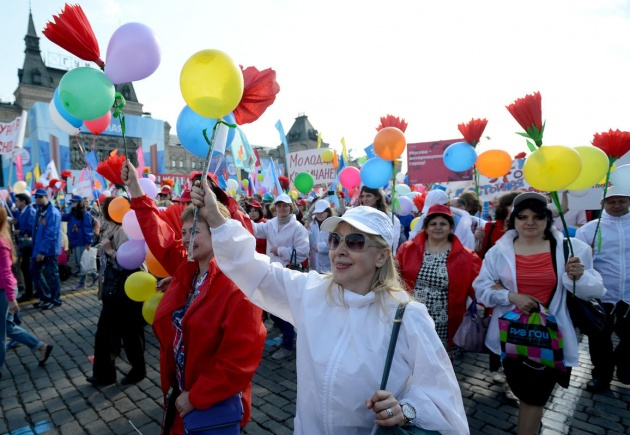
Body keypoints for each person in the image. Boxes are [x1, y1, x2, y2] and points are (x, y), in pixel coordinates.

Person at [195, 180, 469, 434]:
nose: (339, 250)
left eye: (355, 242)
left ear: (382, 255)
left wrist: (406, 410)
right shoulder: (311, 292)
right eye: (336, 240)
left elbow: (443, 397)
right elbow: (256, 271)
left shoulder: (407, 316)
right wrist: (217, 219)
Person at [121, 162, 265, 434]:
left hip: (209, 401)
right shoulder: (187, 269)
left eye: (194, 232)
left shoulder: (238, 286)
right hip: (179, 390)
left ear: (218, 234)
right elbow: (160, 235)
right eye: (184, 232)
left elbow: (238, 361)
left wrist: (196, 396)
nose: (185, 240)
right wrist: (136, 190)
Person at [473, 192, 605, 435]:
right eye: (522, 217)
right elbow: (481, 289)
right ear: (514, 220)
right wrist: (511, 296)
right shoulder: (497, 252)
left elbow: (595, 290)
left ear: (548, 218)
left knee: (532, 398)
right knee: (528, 396)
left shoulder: (572, 249)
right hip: (511, 338)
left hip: (552, 339)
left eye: (537, 216)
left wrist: (579, 276)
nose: (529, 222)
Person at [397, 204, 481, 356]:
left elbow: (480, 289)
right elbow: (395, 278)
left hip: (444, 321)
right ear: (426, 227)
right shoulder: (407, 249)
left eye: (443, 224)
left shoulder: (467, 257)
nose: (438, 227)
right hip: (411, 316)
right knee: (410, 355)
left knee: (439, 360)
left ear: (451, 227)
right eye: (433, 224)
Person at [86, 196, 147, 386]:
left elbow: (130, 264)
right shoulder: (112, 228)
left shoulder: (125, 231)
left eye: (106, 208)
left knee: (129, 335)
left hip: (126, 292)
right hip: (114, 293)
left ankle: (135, 371)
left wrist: (110, 250)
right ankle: (107, 374)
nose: (103, 210)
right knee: (112, 335)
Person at [575, 186, 630, 393]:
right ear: (602, 204)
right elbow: (580, 262)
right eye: (611, 201)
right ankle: (601, 376)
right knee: (599, 338)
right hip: (602, 293)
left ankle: (624, 365)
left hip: (629, 294)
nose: (616, 205)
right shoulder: (589, 229)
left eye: (621, 201)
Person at [252, 193, 309, 360]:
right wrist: (239, 214)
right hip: (271, 273)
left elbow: (303, 252)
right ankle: (287, 335)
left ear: (291, 208)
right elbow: (255, 230)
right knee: (273, 310)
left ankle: (287, 345)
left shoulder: (298, 227)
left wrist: (281, 251)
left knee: (286, 309)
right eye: (279, 206)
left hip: (288, 274)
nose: (282, 209)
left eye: (285, 206)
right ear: (274, 209)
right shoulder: (270, 224)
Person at [410, 189, 475, 250]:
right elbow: (412, 243)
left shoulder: (462, 224)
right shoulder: (425, 217)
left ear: (448, 205)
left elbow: (467, 250)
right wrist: (417, 237)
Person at [30, 189, 62, 310]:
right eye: (36, 197)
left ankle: (55, 299)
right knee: (34, 271)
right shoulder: (39, 210)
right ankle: (46, 296)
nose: (37, 199)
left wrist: (42, 251)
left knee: (52, 275)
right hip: (38, 248)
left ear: (46, 197)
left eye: (40, 197)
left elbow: (51, 234)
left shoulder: (52, 212)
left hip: (49, 250)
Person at [62, 195, 97, 290]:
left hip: (81, 242)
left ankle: (82, 283)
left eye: (74, 201)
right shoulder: (72, 214)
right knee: (81, 262)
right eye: (72, 201)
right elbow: (62, 217)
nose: (72, 203)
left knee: (82, 263)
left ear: (80, 203)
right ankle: (94, 275)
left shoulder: (85, 214)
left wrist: (88, 242)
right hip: (75, 241)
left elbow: (88, 228)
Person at [359, 186, 405, 252]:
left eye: (368, 196)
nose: (364, 199)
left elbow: (393, 241)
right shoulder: (359, 214)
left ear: (377, 197)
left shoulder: (389, 216)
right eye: (363, 196)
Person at [13, 193, 36, 302]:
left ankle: (30, 292)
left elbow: (32, 229)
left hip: (29, 244)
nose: (16, 202)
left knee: (26, 267)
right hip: (23, 244)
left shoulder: (30, 211)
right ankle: (31, 290)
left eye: (17, 200)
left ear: (23, 201)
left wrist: (21, 231)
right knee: (25, 267)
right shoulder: (21, 212)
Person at [308, 199, 333, 273]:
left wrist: (320, 247)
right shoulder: (312, 225)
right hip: (314, 266)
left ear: (328, 212)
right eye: (317, 212)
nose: (319, 214)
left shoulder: (333, 226)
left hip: (328, 267)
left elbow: (336, 245)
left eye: (322, 212)